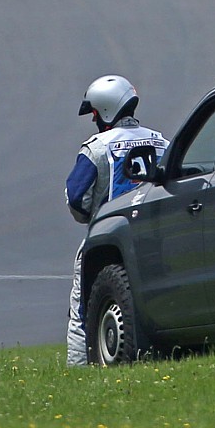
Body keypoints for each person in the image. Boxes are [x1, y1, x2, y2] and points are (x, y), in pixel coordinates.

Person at [64, 75, 168, 366]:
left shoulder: (96, 148)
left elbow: (75, 198)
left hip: (107, 242)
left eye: (94, 114)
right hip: (154, 240)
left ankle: (81, 370)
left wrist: (91, 216)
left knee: (83, 310)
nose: (93, 120)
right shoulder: (162, 141)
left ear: (104, 112)